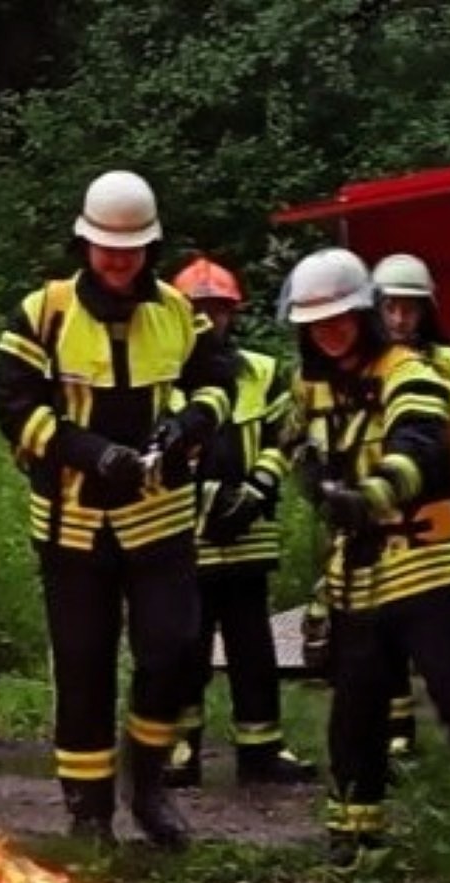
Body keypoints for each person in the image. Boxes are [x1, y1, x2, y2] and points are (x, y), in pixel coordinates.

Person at [286, 247, 450, 882]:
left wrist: (372, 494)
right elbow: (293, 444)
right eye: (315, 324)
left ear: (364, 316)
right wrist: (304, 472)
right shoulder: (309, 388)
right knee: (355, 706)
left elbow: (420, 445)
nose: (329, 333)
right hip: (357, 569)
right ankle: (356, 838)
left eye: (340, 320)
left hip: (427, 556)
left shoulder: (411, 373)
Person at [0, 171, 238, 847]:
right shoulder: (44, 312)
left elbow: (220, 383)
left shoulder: (177, 313)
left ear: (150, 248)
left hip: (158, 519)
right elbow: (15, 409)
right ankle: (89, 811)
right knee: (83, 661)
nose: (119, 260)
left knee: (175, 650)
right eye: (107, 247)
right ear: (85, 244)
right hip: (71, 522)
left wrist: (187, 425)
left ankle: (149, 785)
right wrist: (92, 453)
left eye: (131, 248)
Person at [164, 257, 317, 788]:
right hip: (187, 541)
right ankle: (180, 749)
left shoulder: (264, 372)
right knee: (186, 649)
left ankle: (262, 750)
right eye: (198, 311)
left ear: (234, 314)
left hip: (251, 535)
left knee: (254, 649)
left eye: (218, 310)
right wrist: (208, 499)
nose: (209, 320)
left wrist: (257, 490)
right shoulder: (163, 376)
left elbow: (287, 438)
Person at [368, 252, 450, 757]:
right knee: (380, 631)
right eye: (390, 308)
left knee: (445, 638)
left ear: (426, 311)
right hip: (377, 510)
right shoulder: (363, 365)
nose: (399, 320)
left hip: (440, 517)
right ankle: (397, 730)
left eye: (409, 309)